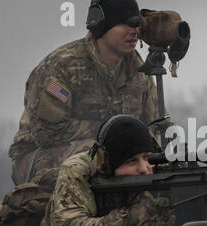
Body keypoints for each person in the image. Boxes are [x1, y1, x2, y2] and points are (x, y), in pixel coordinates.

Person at [9, 0, 159, 186]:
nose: (134, 30)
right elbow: (47, 134)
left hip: (110, 152)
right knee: (102, 152)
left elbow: (151, 128)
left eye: (136, 24)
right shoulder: (61, 68)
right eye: (124, 23)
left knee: (153, 158)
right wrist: (115, 133)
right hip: (37, 158)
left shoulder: (139, 72)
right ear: (100, 25)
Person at [40, 115, 174, 226]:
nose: (144, 168)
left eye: (147, 157)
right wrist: (131, 217)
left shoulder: (161, 168)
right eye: (131, 161)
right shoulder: (77, 170)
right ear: (108, 163)